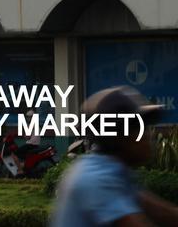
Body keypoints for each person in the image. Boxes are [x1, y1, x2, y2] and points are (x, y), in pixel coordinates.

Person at [51, 86, 178, 226]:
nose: (148, 136)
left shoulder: (113, 172)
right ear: (118, 137)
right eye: (138, 128)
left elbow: (163, 213)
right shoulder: (97, 179)